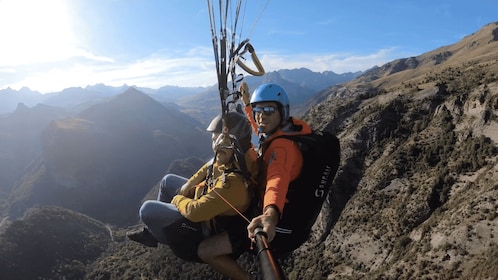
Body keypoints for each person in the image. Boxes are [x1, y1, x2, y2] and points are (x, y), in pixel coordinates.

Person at [126, 111, 258, 280]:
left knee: (147, 210)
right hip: (209, 208)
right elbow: (209, 167)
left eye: (218, 141)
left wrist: (178, 199)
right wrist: (188, 185)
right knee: (168, 181)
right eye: (214, 141)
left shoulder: (233, 183)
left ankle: (169, 233)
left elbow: (196, 212)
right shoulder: (236, 158)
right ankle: (154, 233)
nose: (215, 146)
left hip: (206, 228)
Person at [240, 82, 312, 253]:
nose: (261, 116)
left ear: (283, 112)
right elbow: (259, 129)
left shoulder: (282, 147)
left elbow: (276, 179)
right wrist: (248, 105)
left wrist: (270, 216)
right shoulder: (281, 132)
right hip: (275, 211)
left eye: (269, 110)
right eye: (258, 111)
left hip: (279, 221)